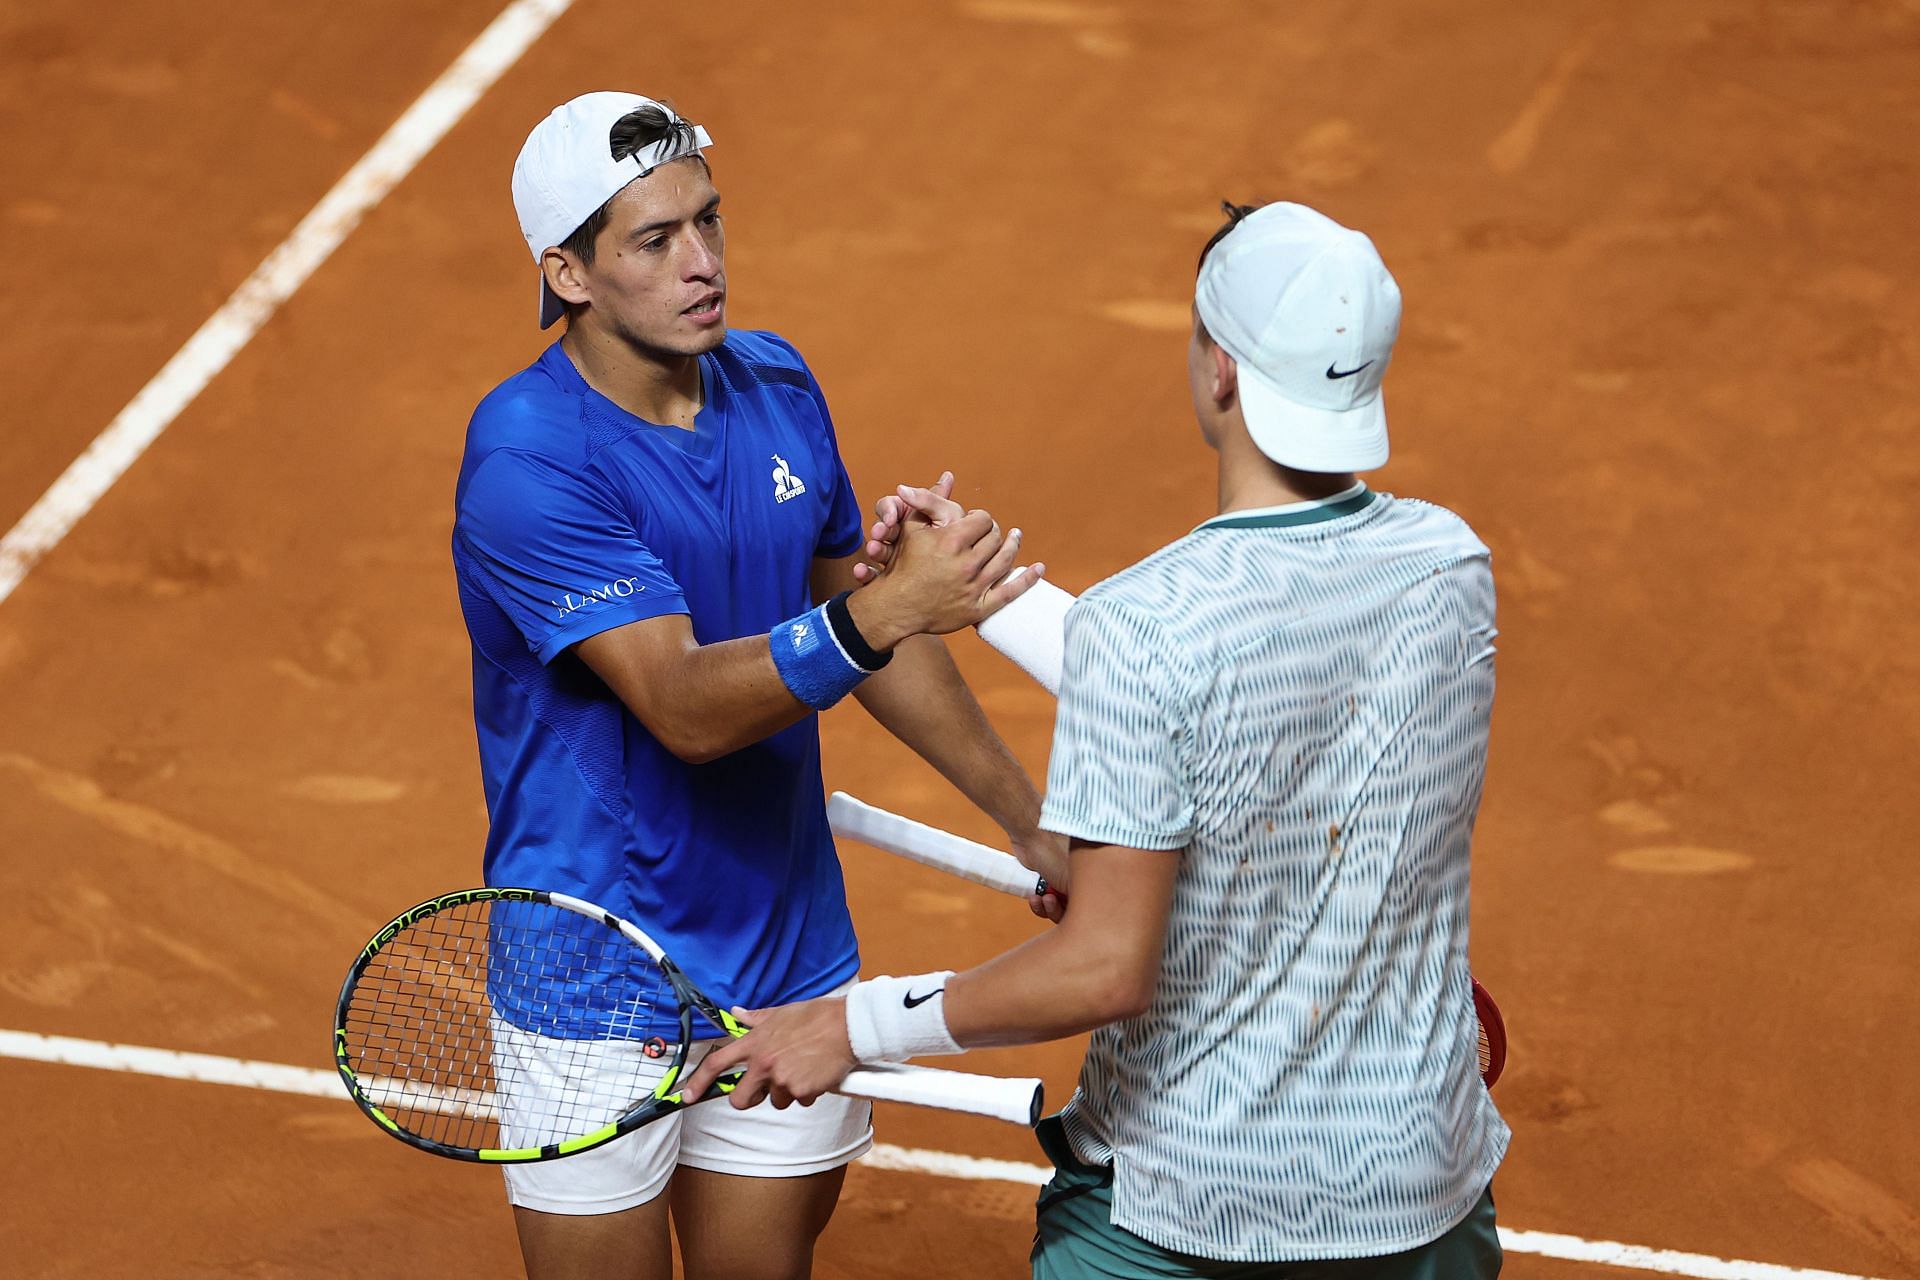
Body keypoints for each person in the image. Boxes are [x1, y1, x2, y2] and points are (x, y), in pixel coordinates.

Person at [686, 201, 1512, 1278]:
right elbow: (1253, 671)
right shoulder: (1448, 566)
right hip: (1428, 1194)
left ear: (1221, 367)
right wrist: (989, 598)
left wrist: (854, 1023)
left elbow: (1105, 969)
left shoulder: (1150, 624)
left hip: (1190, 1213)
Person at [452, 91, 1057, 1280]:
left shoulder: (775, 383)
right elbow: (682, 705)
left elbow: (871, 637)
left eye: (709, 222)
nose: (704, 263)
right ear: (566, 273)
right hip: (595, 977)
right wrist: (884, 606)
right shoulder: (528, 457)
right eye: (655, 240)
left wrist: (1027, 818)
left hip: (788, 959)